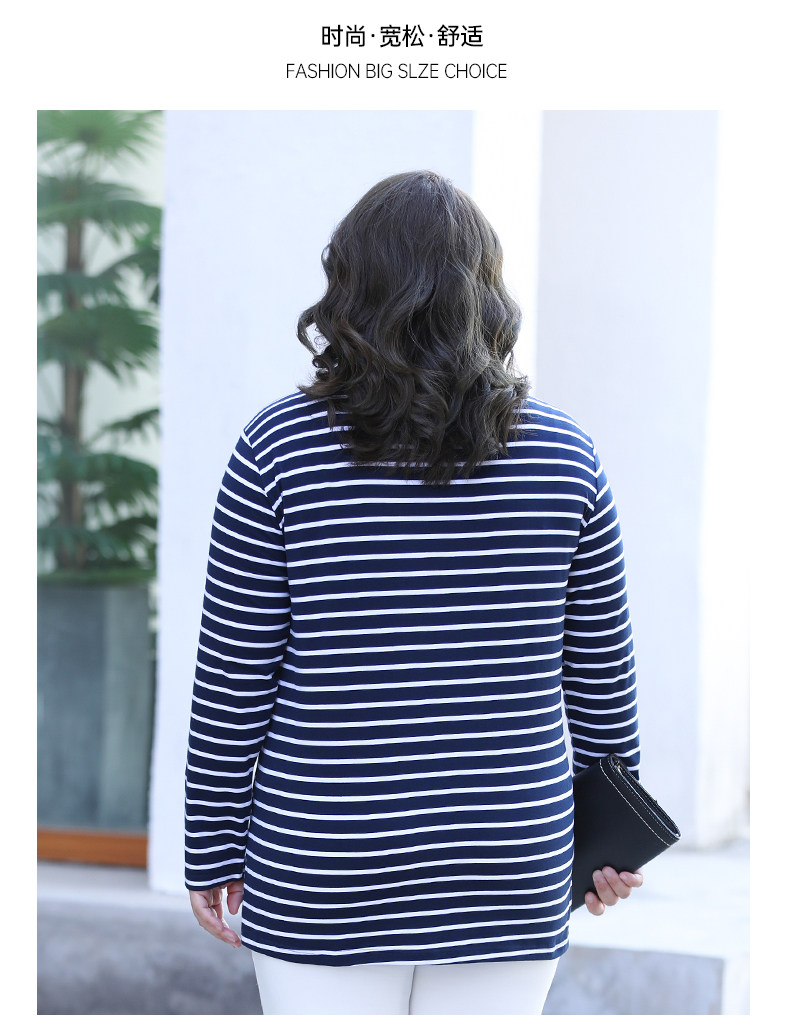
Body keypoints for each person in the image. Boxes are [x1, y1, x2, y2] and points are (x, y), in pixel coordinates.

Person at [184, 170, 643, 1016]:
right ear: (486, 295)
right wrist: (615, 843)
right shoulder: (566, 456)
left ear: (348, 288)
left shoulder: (276, 450)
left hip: (324, 857)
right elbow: (603, 682)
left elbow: (234, 678)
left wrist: (210, 845)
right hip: (506, 863)